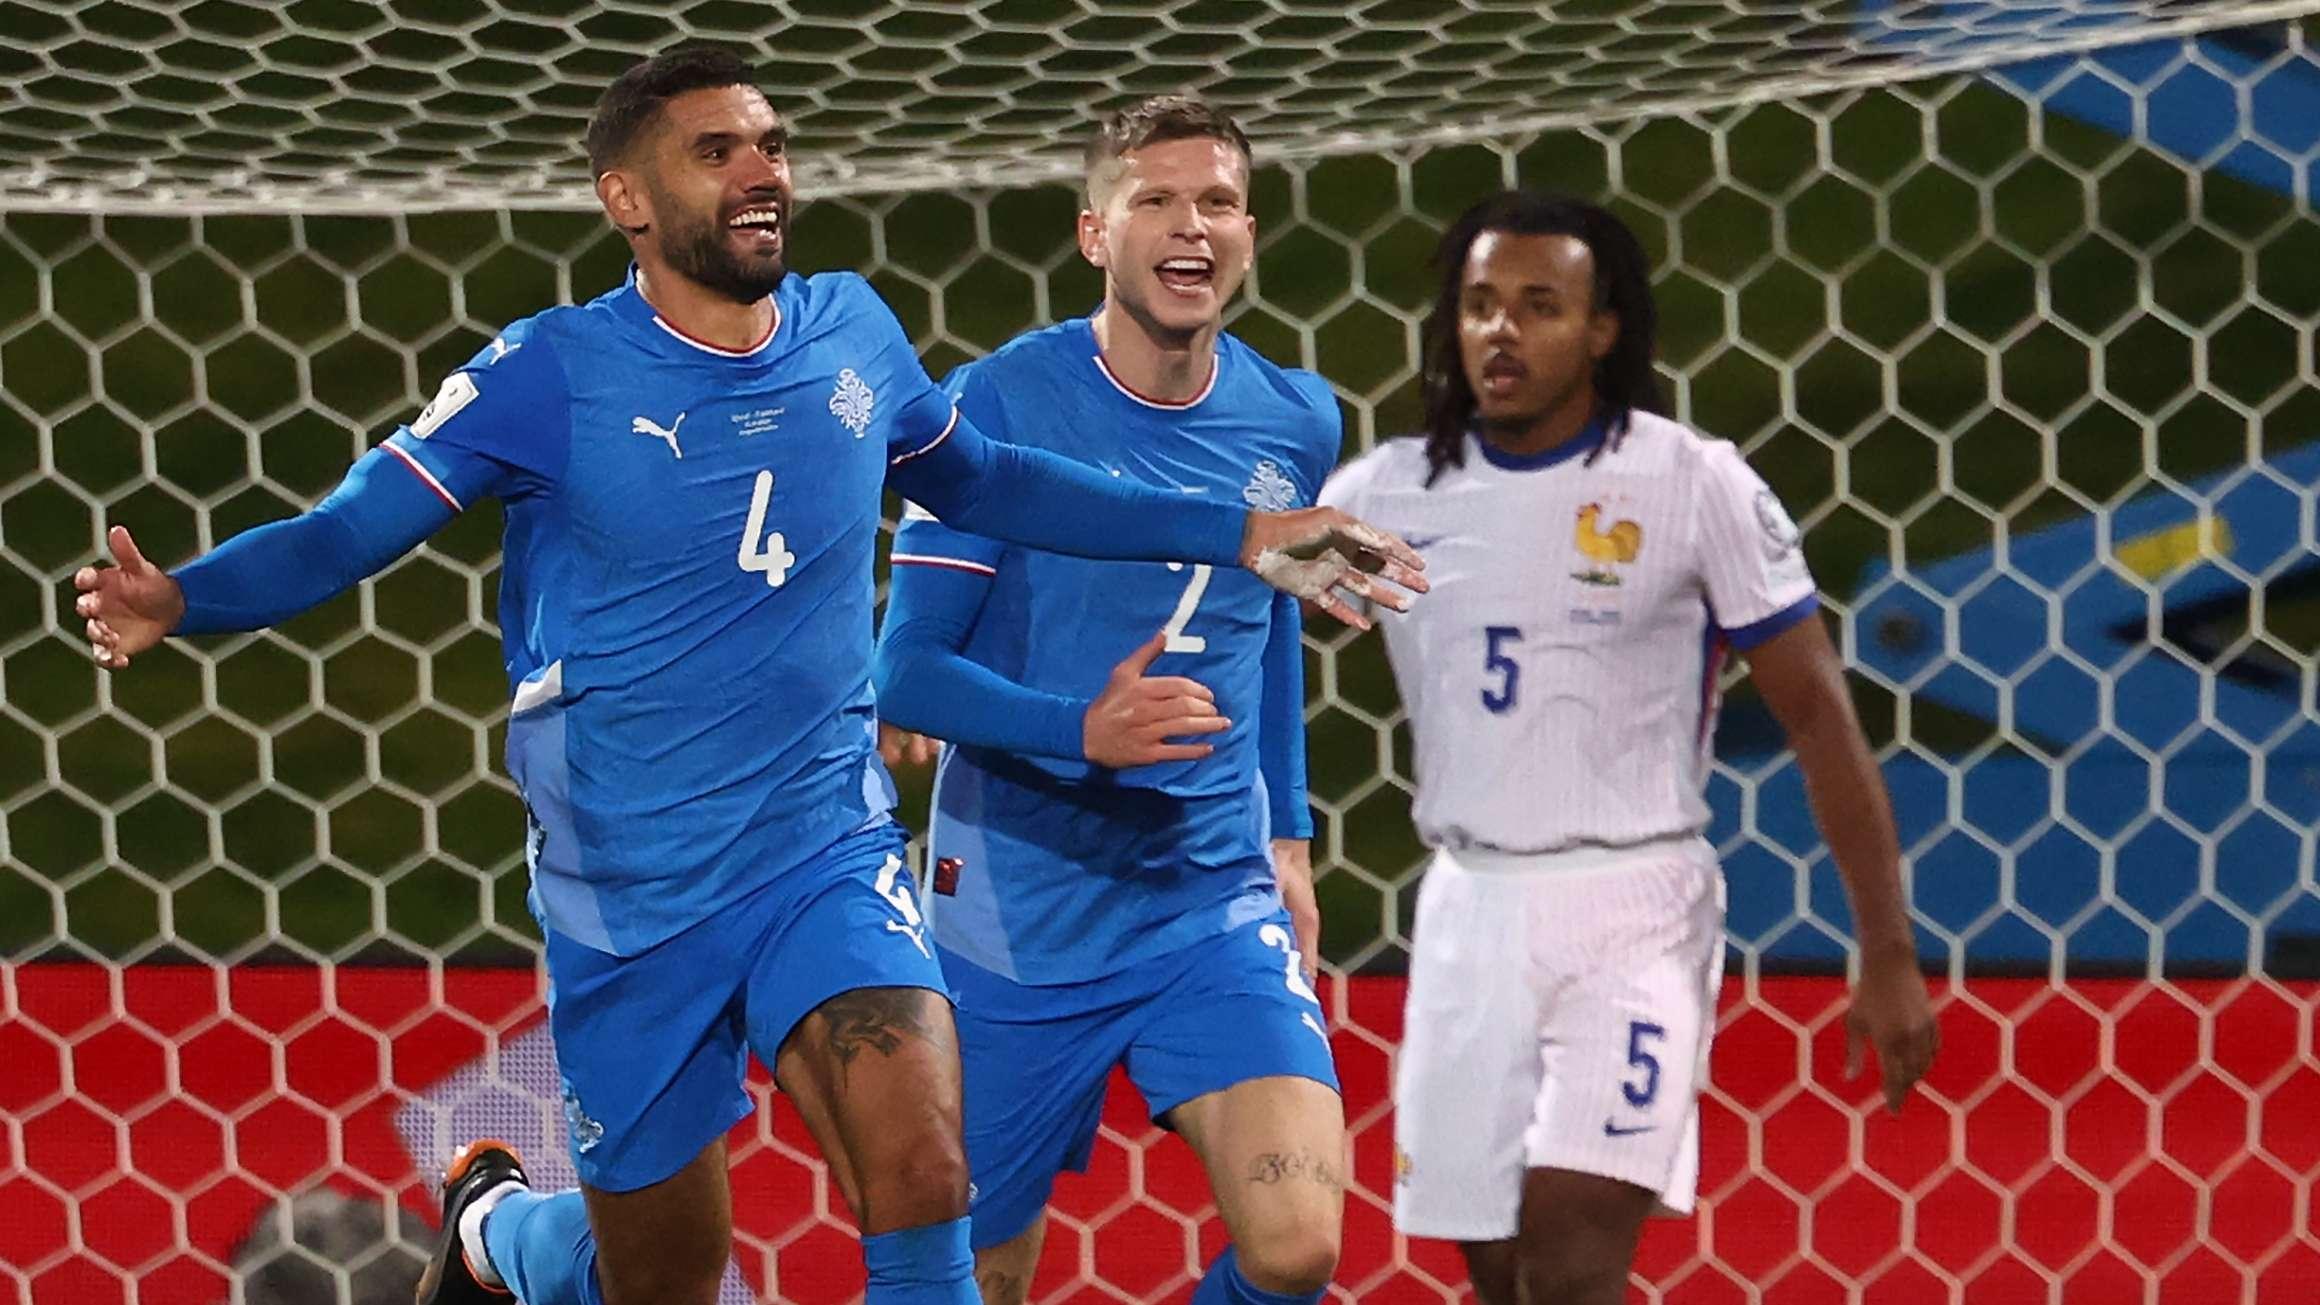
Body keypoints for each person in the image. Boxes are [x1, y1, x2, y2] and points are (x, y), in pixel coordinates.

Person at [71, 48, 1423, 1305]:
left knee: (923, 1173)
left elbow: (993, 480)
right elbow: (350, 526)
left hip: (823, 850)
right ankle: (497, 1232)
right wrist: (183, 598)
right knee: (654, 1273)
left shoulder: (853, 334)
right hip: (635, 889)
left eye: (771, 143)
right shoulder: (554, 375)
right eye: (716, 150)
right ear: (629, 199)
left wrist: (1238, 529)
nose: (762, 171)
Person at [1314, 190, 1939, 1305]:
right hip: (1468, 911)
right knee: (1499, 1273)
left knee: (1570, 1255)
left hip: (1633, 910)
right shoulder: (1384, 497)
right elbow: (1245, 635)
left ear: (1603, 330)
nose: (1501, 332)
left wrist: (1884, 948)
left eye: (1539, 306)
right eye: (1479, 305)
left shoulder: (1690, 483)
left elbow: (1817, 713)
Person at [871, 96, 1345, 1305]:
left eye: (1219, 202)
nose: (1191, 227)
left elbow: (1267, 618)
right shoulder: (992, 407)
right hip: (1018, 915)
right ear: (1095, 233)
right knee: (981, 1277)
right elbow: (908, 672)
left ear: (1249, 232)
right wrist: (1076, 730)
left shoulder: (1294, 418)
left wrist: (1285, 831)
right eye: (1156, 201)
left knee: (1297, 1246)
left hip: (1205, 897)